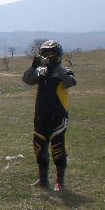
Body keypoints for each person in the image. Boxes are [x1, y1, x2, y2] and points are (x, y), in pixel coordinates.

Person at [22, 39, 77, 191]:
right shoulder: (40, 71)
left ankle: (60, 182)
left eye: (51, 54)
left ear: (58, 55)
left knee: (57, 147)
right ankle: (43, 179)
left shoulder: (64, 70)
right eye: (45, 53)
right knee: (39, 147)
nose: (48, 56)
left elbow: (70, 82)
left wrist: (57, 66)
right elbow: (27, 80)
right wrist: (33, 66)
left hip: (58, 116)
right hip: (41, 116)